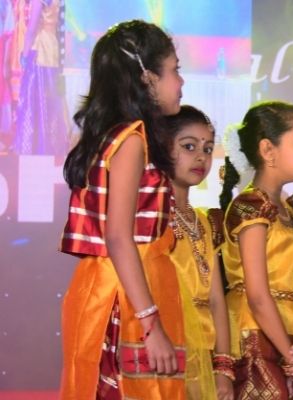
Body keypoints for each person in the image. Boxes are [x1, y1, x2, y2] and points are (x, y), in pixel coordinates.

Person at [59, 19, 186, 399]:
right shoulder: (131, 141)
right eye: (175, 70)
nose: (181, 82)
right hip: (124, 299)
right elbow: (118, 236)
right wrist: (151, 324)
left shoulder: (117, 136)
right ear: (147, 79)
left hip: (119, 288)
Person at [219, 101, 293, 399]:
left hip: (289, 337)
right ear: (268, 150)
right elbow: (258, 296)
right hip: (255, 338)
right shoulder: (251, 206)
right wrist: (290, 356)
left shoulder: (292, 209)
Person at [166, 105, 234, 400]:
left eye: (207, 149)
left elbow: (217, 299)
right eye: (189, 146)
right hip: (168, 354)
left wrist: (223, 368)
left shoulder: (203, 222)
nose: (201, 158)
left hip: (205, 357)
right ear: (162, 147)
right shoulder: (153, 219)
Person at [13, 0, 69, 155]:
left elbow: (31, 29)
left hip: (40, 47)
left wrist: (24, 54)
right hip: (53, 46)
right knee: (51, 98)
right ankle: (52, 143)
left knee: (34, 97)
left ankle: (35, 145)